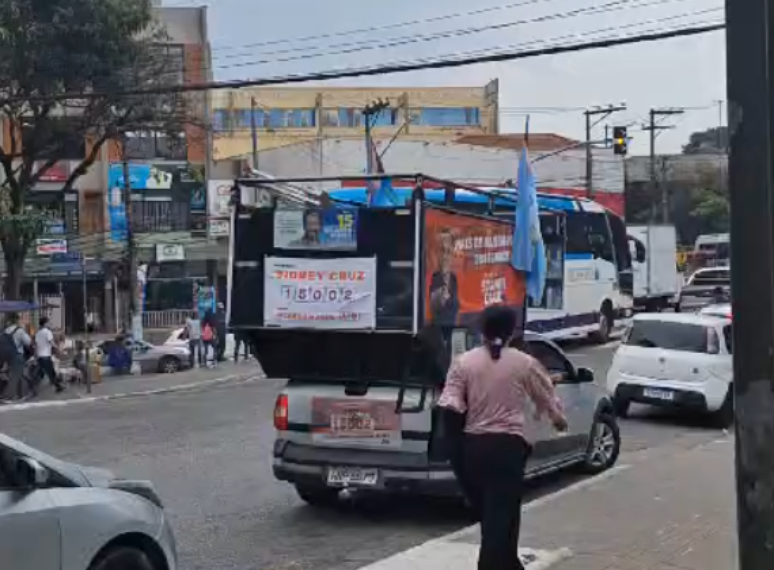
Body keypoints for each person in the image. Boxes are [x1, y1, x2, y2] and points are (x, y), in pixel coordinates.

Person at [437, 305, 568, 570]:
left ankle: (509, 563)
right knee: (502, 512)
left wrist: (454, 447)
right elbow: (545, 395)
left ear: (482, 330)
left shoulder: (464, 362)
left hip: (473, 448)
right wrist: (558, 420)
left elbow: (450, 403)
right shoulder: (524, 362)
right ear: (511, 331)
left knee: (496, 512)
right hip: (508, 448)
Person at [428, 229, 460, 326]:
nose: (445, 256)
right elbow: (436, 307)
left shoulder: (453, 278)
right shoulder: (433, 277)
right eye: (442, 250)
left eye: (448, 251)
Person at [1, 314, 32, 401]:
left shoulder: (5, 331)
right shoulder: (20, 330)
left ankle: (20, 395)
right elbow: (28, 342)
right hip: (17, 355)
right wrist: (25, 330)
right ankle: (8, 397)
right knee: (15, 377)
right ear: (17, 320)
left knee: (18, 375)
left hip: (8, 357)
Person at [34, 317, 64, 393]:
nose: (50, 324)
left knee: (41, 373)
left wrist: (36, 356)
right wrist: (59, 350)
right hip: (46, 356)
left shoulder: (38, 333)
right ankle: (58, 387)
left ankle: (33, 387)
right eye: (49, 322)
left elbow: (36, 346)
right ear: (45, 323)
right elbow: (52, 343)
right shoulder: (47, 332)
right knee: (51, 373)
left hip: (40, 357)